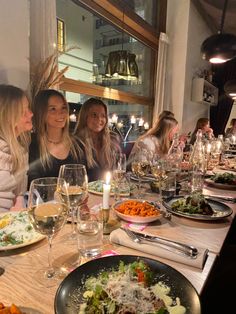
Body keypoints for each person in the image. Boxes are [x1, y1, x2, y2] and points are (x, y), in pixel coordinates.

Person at [28, 89, 83, 187]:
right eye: (53, 109)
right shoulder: (32, 144)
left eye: (63, 108)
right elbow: (33, 185)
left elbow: (84, 181)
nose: (61, 113)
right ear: (41, 113)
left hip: (75, 201)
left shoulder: (77, 145)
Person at [0, 84, 33, 211]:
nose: (31, 114)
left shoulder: (20, 149)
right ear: (8, 115)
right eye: (24, 110)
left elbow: (19, 197)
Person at [74, 98, 121, 181]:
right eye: (94, 115)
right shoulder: (76, 143)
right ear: (85, 117)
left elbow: (119, 167)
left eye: (103, 115)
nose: (99, 119)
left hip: (110, 190)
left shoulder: (112, 140)